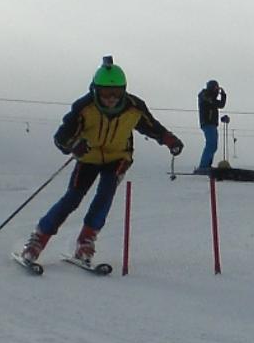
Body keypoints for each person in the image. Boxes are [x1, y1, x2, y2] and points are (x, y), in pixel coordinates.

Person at [20, 56, 184, 265]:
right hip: (88, 157)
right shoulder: (84, 107)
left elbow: (152, 127)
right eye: (106, 93)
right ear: (96, 90)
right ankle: (38, 239)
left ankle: (86, 241)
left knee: (105, 195)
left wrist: (170, 140)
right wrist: (74, 145)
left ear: (124, 90)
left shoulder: (134, 107)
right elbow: (61, 137)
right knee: (72, 198)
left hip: (119, 157)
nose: (111, 99)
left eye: (116, 93)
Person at [195, 79, 226, 174]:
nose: (217, 91)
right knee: (211, 144)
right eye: (216, 88)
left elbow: (221, 105)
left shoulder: (210, 97)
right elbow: (215, 103)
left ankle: (207, 165)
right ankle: (203, 166)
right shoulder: (205, 95)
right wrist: (220, 94)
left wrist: (223, 95)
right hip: (207, 122)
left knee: (213, 145)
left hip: (212, 123)